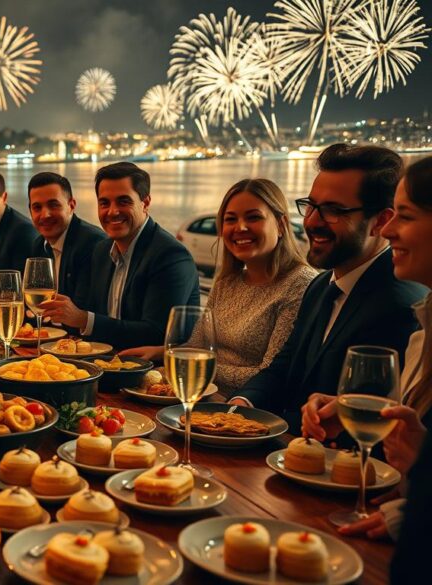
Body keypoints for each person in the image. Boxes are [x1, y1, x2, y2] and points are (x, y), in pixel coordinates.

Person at [229, 144, 427, 433]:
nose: (311, 221)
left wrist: (257, 427)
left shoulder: (399, 304)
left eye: (333, 210)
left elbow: (363, 426)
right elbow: (285, 364)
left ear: (380, 222)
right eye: (311, 206)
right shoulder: (322, 285)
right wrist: (241, 403)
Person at [298, 157, 432, 552]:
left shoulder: (400, 304)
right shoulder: (424, 325)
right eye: (311, 206)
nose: (389, 231)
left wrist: (415, 481)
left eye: (405, 216)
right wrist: (351, 410)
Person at [119, 179, 317, 397]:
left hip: (247, 407)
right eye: (230, 219)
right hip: (202, 395)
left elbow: (271, 375)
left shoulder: (300, 285)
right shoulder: (227, 282)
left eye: (253, 217)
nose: (240, 227)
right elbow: (197, 345)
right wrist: (161, 353)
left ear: (281, 225)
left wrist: (194, 367)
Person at [42, 162, 199, 350]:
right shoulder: (101, 250)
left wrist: (84, 319)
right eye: (104, 203)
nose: (112, 211)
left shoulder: (170, 255)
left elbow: (158, 333)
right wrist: (64, 313)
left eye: (123, 202)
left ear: (145, 203)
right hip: (104, 360)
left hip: (154, 366)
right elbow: (85, 315)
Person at [26, 171, 106, 314]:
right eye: (37, 207)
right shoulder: (38, 245)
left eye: (53, 205)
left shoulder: (92, 243)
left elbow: (82, 309)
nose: (45, 215)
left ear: (71, 205)